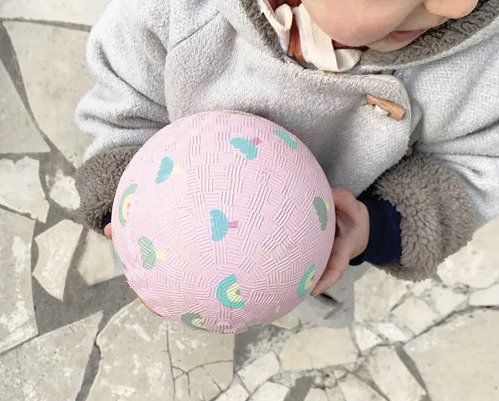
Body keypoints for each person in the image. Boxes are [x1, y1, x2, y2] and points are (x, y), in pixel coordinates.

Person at [74, 0, 498, 306]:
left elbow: (477, 165)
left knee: (315, 286)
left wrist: (377, 227)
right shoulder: (175, 11)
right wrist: (128, 204)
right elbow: (124, 106)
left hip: (335, 241)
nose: (458, 7)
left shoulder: (476, 62)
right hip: (182, 222)